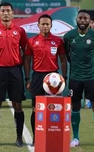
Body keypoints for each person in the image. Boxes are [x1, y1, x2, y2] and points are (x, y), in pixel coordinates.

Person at [0, 2, 27, 147]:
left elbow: (25, 51)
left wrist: (18, 65)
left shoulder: (20, 31)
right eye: (3, 11)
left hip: (15, 71)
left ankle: (19, 138)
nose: (6, 13)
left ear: (12, 13)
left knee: (18, 104)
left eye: (8, 10)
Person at [63, 9, 94, 148]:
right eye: (80, 18)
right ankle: (75, 138)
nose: (83, 20)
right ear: (76, 20)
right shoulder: (69, 36)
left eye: (85, 18)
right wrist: (75, 65)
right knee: (75, 106)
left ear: (89, 21)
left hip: (91, 77)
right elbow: (66, 55)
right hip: (75, 78)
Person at [24, 14, 67, 146]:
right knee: (36, 109)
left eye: (47, 24)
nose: (45, 26)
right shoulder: (32, 41)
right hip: (37, 77)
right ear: (38, 26)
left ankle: (53, 136)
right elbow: (27, 60)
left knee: (55, 108)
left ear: (51, 25)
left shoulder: (58, 41)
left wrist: (63, 78)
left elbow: (63, 59)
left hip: (53, 77)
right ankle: (36, 137)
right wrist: (28, 79)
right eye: (42, 24)